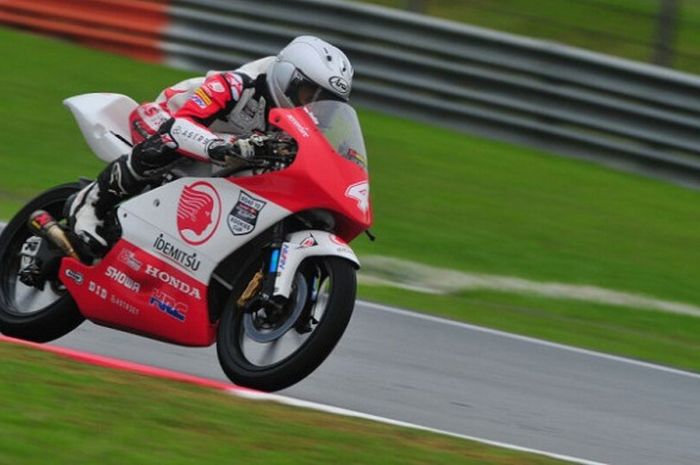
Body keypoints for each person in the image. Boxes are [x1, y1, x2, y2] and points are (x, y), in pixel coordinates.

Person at [69, 35, 354, 256]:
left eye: (323, 101)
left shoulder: (302, 125)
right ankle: (91, 204)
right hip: (164, 120)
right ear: (287, 78)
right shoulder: (237, 85)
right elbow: (180, 125)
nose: (314, 106)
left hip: (217, 159)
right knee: (169, 143)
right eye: (308, 94)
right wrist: (218, 146)